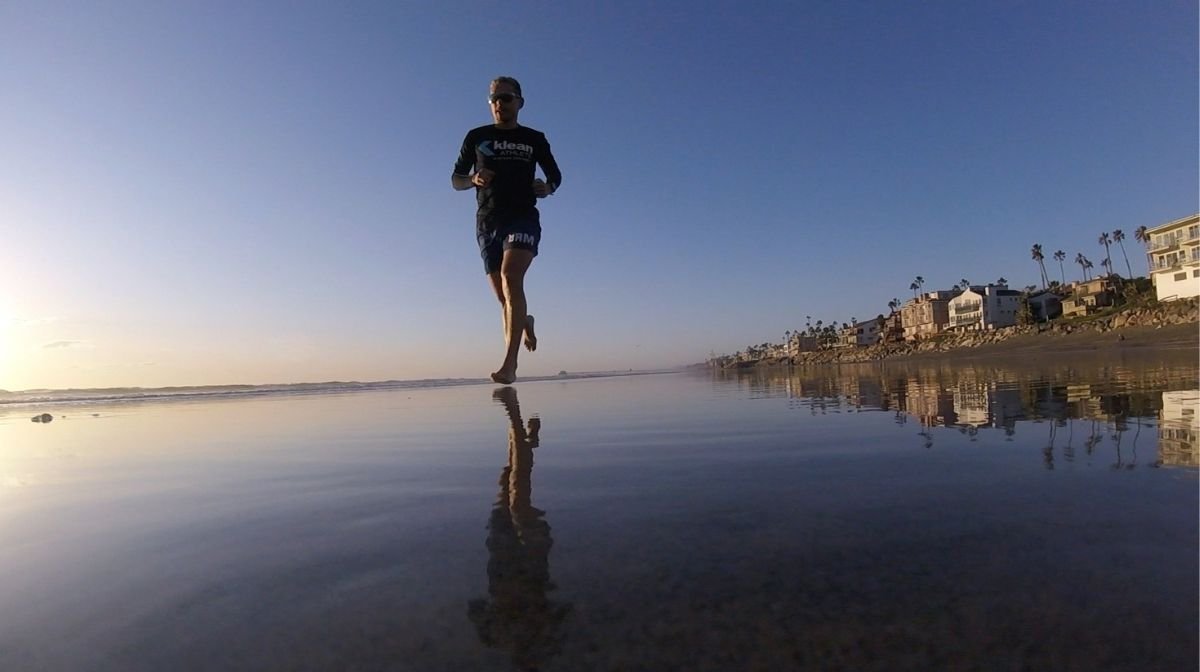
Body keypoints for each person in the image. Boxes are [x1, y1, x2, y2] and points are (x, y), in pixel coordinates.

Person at [452, 76, 562, 385]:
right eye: (494, 99)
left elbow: (555, 175)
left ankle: (509, 365)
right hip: (487, 221)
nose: (499, 103)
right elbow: (456, 179)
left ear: (520, 102)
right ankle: (524, 319)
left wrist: (548, 187)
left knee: (511, 276)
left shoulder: (534, 138)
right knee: (504, 299)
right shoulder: (476, 136)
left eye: (506, 97)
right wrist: (472, 179)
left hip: (523, 217)